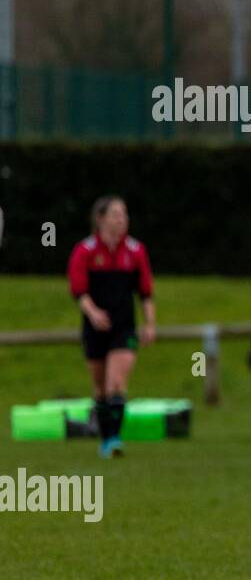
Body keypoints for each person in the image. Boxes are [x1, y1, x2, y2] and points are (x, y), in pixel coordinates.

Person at [67, 196, 156, 458]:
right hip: (95, 328)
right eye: (116, 214)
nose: (122, 219)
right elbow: (78, 289)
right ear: (100, 219)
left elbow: (146, 292)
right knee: (100, 388)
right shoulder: (85, 251)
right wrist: (93, 313)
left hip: (124, 326)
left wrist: (150, 322)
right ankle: (105, 439)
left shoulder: (136, 251)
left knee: (116, 383)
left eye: (124, 214)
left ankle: (115, 439)